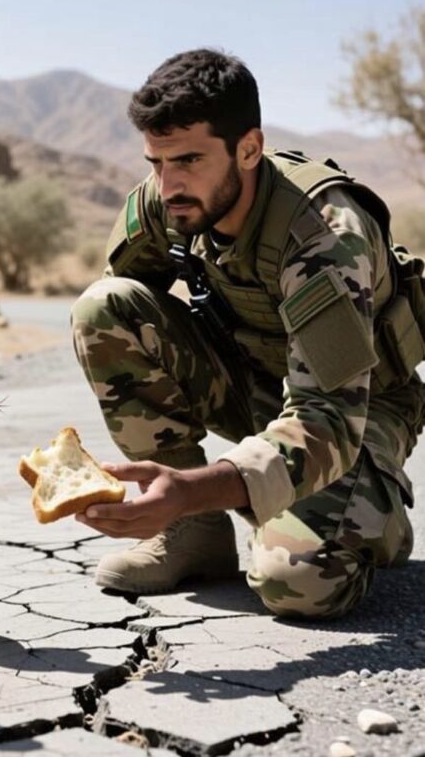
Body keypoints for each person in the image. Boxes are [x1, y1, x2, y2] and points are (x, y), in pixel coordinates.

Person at [70, 48, 425, 618]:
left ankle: (372, 511)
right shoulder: (168, 202)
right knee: (103, 307)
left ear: (249, 149)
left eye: (188, 160)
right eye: (156, 163)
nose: (169, 185)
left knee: (299, 582)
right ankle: (195, 536)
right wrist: (185, 492)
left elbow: (328, 419)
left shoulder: (323, 237)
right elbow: (124, 319)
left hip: (357, 411)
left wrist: (192, 485)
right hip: (253, 383)